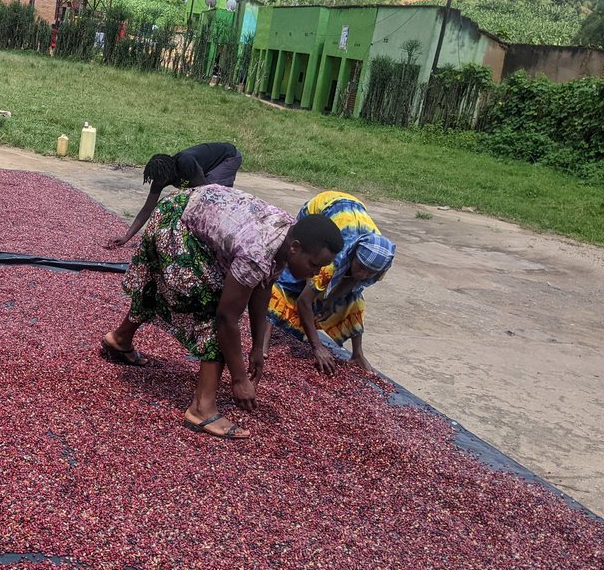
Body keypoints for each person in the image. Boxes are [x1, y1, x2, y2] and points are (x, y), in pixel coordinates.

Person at [101, 185, 342, 440]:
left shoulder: (286, 237)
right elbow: (226, 318)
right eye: (314, 265)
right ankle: (202, 409)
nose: (315, 273)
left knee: (206, 300)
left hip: (192, 209)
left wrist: (258, 348)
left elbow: (263, 286)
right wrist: (238, 379)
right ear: (295, 248)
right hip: (176, 221)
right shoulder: (257, 252)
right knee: (213, 307)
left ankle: (119, 339)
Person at [267, 191, 396, 375]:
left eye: (369, 272)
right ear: (352, 256)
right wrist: (317, 346)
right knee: (289, 283)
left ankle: (357, 354)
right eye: (360, 266)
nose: (363, 273)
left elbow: (355, 281)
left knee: (353, 299)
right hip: (322, 208)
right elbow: (304, 301)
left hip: (352, 212)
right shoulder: (335, 259)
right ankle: (262, 348)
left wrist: (331, 299)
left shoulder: (379, 260)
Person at [107, 142, 243, 248]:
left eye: (161, 180)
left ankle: (224, 235)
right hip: (205, 169)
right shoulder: (160, 178)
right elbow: (147, 209)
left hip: (228, 157)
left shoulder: (185, 162)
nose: (158, 182)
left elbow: (204, 192)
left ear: (169, 174)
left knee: (213, 197)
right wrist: (126, 237)